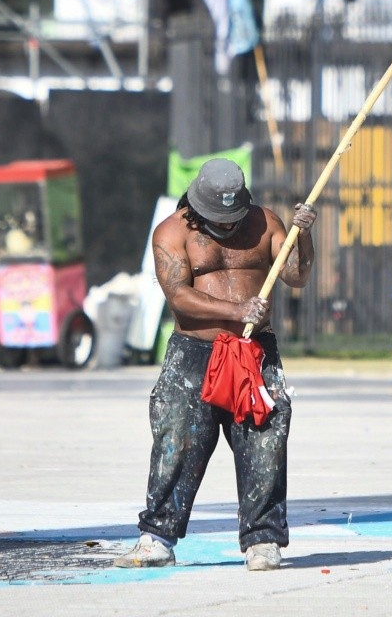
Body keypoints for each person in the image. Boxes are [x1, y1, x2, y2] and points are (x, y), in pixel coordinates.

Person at [113, 157, 316, 572]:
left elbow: (297, 276)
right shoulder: (171, 233)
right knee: (179, 440)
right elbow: (179, 296)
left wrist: (303, 236)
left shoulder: (267, 223)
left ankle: (263, 541)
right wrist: (237, 307)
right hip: (194, 352)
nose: (226, 226)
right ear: (198, 205)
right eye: (217, 219)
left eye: (232, 217)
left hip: (254, 351)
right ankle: (157, 539)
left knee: (265, 439)